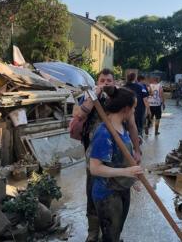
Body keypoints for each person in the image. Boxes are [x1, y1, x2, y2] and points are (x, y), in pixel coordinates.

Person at [69, 69, 141, 242]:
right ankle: (94, 232)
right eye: (103, 80)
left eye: (109, 80)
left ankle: (112, 234)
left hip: (115, 161)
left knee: (114, 218)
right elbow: (80, 114)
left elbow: (132, 128)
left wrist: (136, 153)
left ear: (114, 82)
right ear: (98, 81)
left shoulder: (121, 100)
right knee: (95, 193)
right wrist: (95, 94)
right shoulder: (92, 98)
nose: (106, 83)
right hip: (96, 155)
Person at [88, 87, 143, 242]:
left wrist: (132, 181)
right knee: (110, 236)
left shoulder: (121, 128)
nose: (134, 111)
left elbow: (120, 160)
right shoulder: (104, 133)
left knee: (116, 232)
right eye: (133, 108)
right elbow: (95, 168)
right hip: (107, 194)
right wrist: (127, 172)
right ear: (125, 109)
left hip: (121, 188)